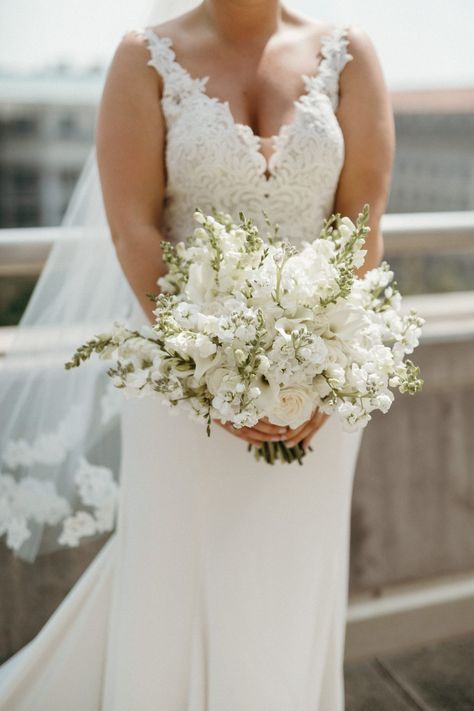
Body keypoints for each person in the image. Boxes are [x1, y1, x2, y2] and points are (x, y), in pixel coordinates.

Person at [0, 0, 395, 708]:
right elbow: (133, 228)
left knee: (288, 583)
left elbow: (362, 225)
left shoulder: (350, 54)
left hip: (317, 387)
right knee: (170, 577)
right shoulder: (143, 58)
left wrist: (326, 369)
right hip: (179, 382)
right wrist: (211, 368)